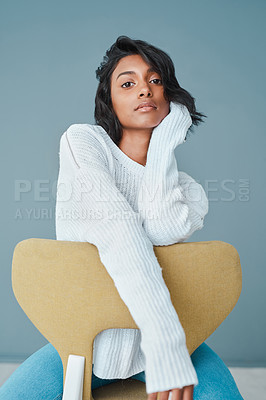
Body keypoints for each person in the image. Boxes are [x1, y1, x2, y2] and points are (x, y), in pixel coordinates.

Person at [0, 36, 244, 400]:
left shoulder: (188, 191)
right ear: (109, 102)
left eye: (156, 81)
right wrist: (166, 345)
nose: (145, 90)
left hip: (173, 342)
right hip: (87, 346)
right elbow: (120, 231)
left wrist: (163, 145)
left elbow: (161, 228)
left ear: (171, 97)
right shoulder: (83, 144)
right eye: (127, 83)